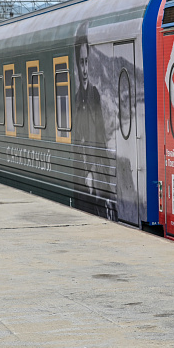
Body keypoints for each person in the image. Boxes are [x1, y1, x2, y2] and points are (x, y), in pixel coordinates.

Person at [72, 23, 110, 218]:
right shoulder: (76, 101)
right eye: (81, 63)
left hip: (97, 178)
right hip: (84, 181)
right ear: (77, 66)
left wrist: (97, 173)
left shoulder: (94, 95)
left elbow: (101, 138)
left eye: (87, 62)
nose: (85, 69)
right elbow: (77, 144)